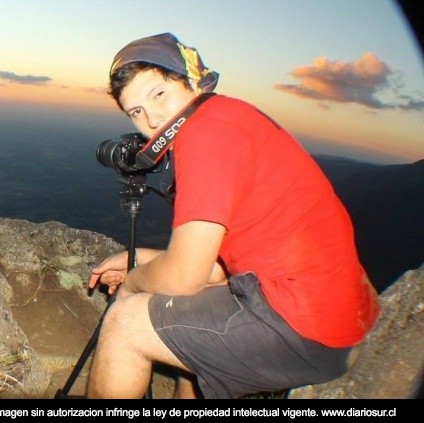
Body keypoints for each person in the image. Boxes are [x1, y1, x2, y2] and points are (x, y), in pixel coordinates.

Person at [86, 32, 380, 399]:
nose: (152, 118)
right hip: (340, 314)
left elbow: (183, 278)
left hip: (305, 325)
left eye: (158, 94)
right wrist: (140, 261)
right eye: (136, 111)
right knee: (186, 327)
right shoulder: (229, 116)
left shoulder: (205, 132)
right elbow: (218, 267)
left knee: (125, 325)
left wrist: (131, 283)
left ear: (192, 81)